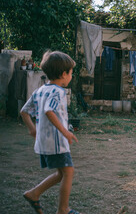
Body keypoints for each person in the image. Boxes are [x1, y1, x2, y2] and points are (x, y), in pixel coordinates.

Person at [20, 51, 81, 214]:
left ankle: (34, 193)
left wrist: (32, 129)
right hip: (56, 142)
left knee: (61, 173)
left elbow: (24, 112)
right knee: (68, 172)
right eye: (71, 73)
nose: (71, 76)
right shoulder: (58, 92)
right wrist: (66, 133)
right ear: (63, 74)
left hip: (44, 142)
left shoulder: (40, 90)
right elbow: (49, 110)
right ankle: (63, 210)